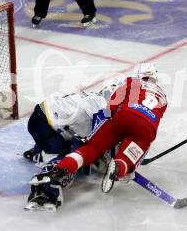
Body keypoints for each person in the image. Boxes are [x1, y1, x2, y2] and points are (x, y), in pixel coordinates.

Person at [25, 63, 168, 211]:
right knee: (78, 152)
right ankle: (44, 191)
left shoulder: (101, 97)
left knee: (84, 146)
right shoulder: (102, 108)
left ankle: (41, 150)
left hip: (41, 116)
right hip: (45, 124)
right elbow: (99, 140)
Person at [23, 84, 117, 167]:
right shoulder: (102, 107)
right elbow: (92, 139)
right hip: (43, 123)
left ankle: (41, 148)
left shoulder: (94, 96)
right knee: (65, 158)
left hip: (40, 116)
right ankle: (43, 156)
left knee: (70, 141)